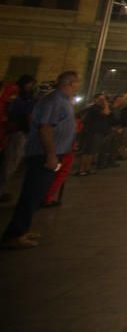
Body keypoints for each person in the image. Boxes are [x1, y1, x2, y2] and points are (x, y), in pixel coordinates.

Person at [1, 71, 80, 249]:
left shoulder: (61, 101)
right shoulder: (54, 101)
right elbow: (45, 128)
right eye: (76, 83)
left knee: (36, 194)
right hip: (44, 154)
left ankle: (22, 229)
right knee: (32, 194)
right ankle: (15, 234)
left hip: (51, 153)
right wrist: (51, 155)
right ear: (70, 83)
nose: (78, 87)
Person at [0, 75, 37, 201]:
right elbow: (19, 111)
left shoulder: (23, 96)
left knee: (10, 163)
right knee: (9, 163)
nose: (31, 87)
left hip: (16, 131)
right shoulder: (16, 95)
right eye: (30, 84)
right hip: (16, 132)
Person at [76, 93, 112, 176]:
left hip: (97, 132)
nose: (102, 101)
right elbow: (106, 113)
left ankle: (87, 168)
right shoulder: (94, 108)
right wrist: (106, 103)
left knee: (92, 151)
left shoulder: (97, 107)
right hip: (91, 132)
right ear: (95, 99)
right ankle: (82, 169)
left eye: (104, 99)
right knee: (87, 151)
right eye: (100, 99)